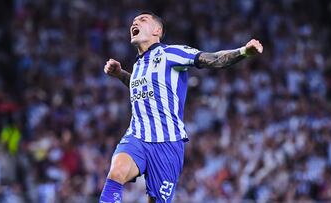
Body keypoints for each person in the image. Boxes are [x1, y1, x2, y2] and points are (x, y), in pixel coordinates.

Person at [100, 11, 263, 203]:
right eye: (133, 21)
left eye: (143, 20)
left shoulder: (171, 53)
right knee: (116, 172)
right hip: (137, 135)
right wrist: (120, 74)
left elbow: (212, 59)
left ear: (157, 30)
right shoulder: (138, 65)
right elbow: (142, 85)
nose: (135, 23)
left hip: (168, 143)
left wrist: (243, 51)